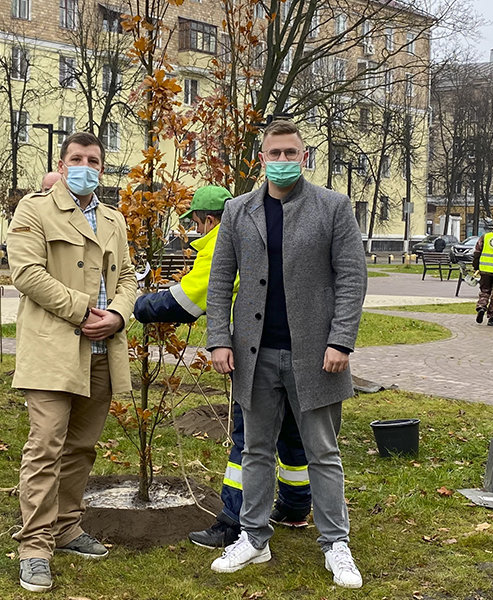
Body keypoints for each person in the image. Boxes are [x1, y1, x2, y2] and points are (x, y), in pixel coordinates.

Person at [206, 120, 367, 589]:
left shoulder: (333, 208)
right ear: (261, 158)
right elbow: (220, 282)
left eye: (290, 153)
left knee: (323, 452)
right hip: (254, 354)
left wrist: (341, 340)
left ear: (304, 156)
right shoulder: (238, 211)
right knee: (255, 449)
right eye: (274, 153)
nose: (282, 161)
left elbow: (352, 279)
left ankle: (336, 543)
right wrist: (219, 339)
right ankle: (254, 537)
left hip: (316, 355)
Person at [132, 186, 313, 549]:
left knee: (248, 442)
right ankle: (295, 506)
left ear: (208, 219)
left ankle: (234, 521)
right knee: (293, 431)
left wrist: (140, 305)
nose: (196, 231)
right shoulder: (257, 231)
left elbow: (186, 301)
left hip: (255, 353)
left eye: (196, 223)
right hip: (292, 347)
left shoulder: (219, 243)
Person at [9, 132, 137, 593]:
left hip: (103, 350)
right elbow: (26, 273)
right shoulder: (34, 209)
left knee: (81, 448)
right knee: (46, 446)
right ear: (62, 165)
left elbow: (127, 277)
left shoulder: (113, 219)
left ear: (102, 168)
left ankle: (66, 526)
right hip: (54, 348)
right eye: (77, 159)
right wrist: (85, 310)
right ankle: (34, 546)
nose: (86, 166)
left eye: (94, 160)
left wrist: (118, 314)